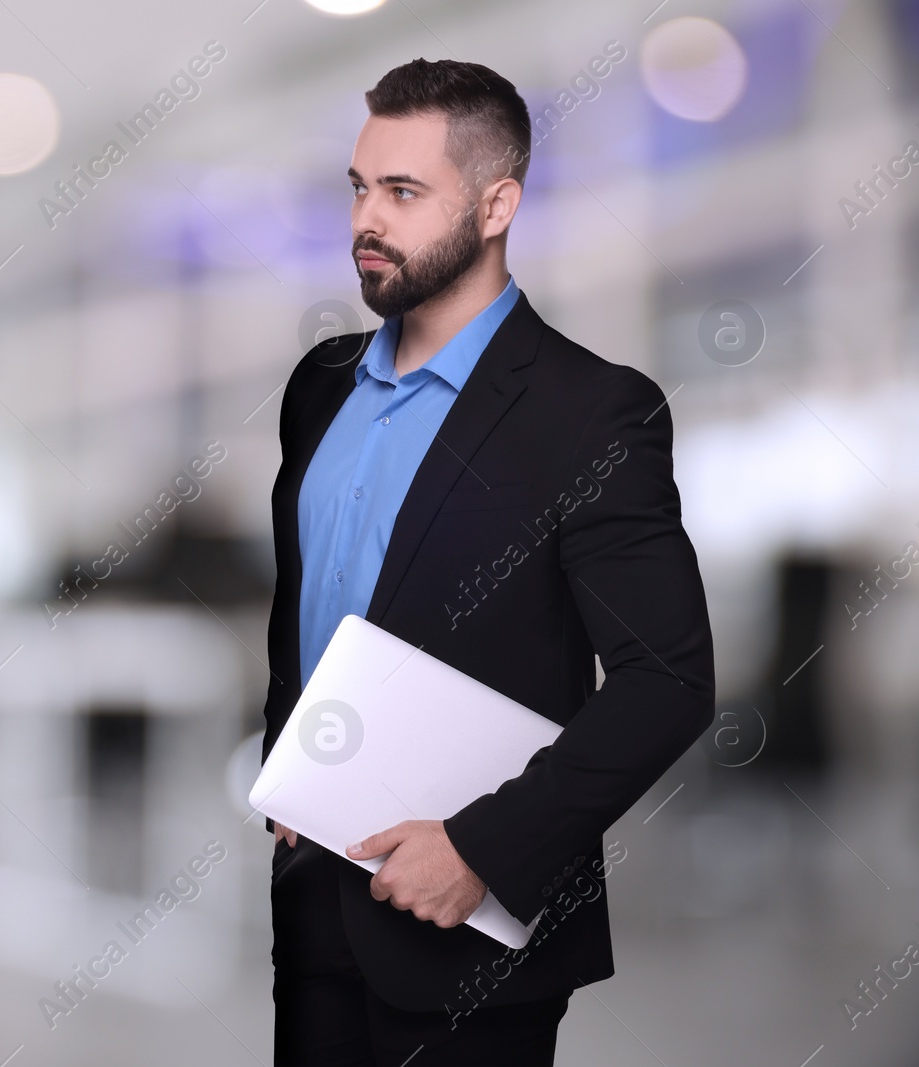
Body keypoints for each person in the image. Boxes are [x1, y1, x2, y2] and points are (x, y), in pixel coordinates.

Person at [262, 58, 714, 1066]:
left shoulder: (594, 411)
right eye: (358, 187)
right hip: (312, 906)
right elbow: (303, 603)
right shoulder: (318, 387)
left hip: (466, 929)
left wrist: (483, 849)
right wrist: (285, 772)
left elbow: (667, 681)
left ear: (497, 202)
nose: (365, 220)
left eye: (403, 192)